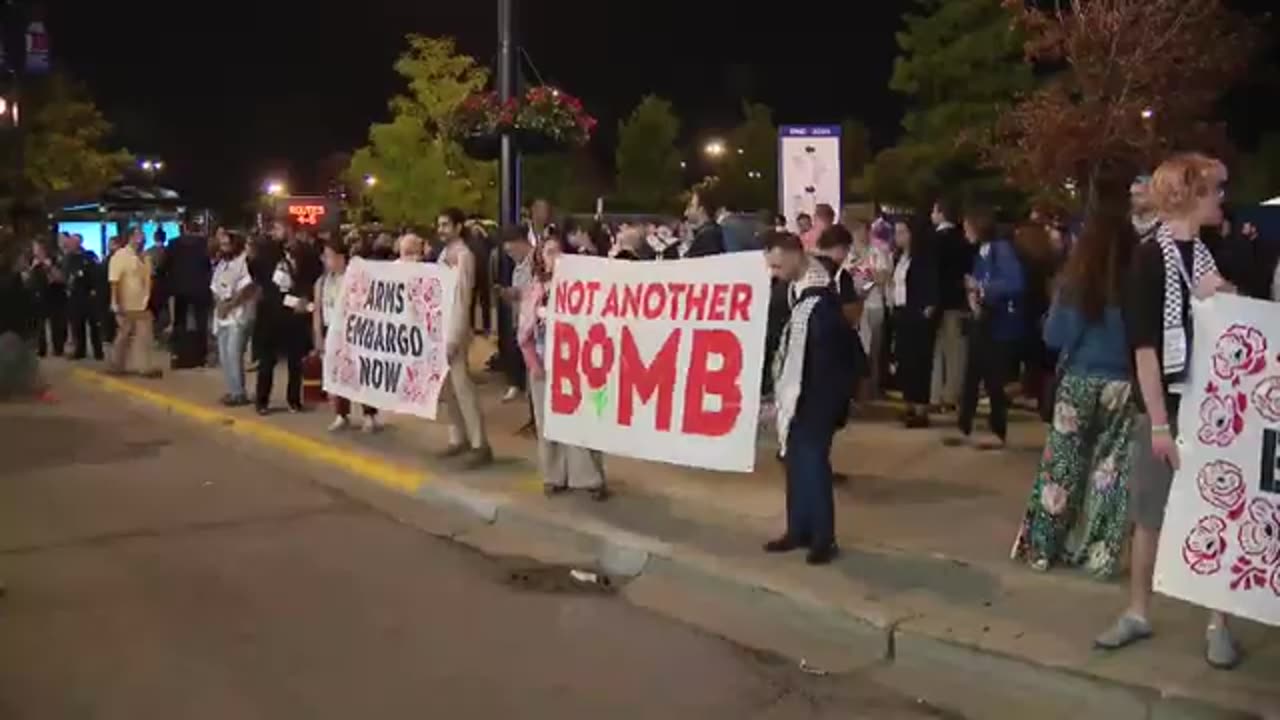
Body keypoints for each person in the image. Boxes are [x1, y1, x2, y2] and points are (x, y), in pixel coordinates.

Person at [1095, 153, 1241, 670]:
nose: (1222, 198)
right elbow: (1145, 349)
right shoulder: (1148, 259)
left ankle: (1219, 620)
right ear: (1189, 194)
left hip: (1212, 403)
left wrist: (1220, 296)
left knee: (1218, 510)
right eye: (1215, 189)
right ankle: (1139, 610)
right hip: (1168, 407)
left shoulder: (1205, 253)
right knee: (1150, 512)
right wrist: (1158, 422)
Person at [1011, 182, 1138, 578]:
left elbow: (1055, 337)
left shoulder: (1076, 280)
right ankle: (1098, 554)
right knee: (1111, 472)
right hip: (1123, 383)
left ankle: (1044, 548)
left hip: (1080, 379)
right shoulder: (1137, 280)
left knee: (1062, 468)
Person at [763, 231, 857, 565]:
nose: (774, 272)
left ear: (794, 254)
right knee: (795, 461)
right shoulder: (796, 289)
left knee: (813, 463)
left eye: (776, 264)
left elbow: (838, 350)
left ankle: (823, 538)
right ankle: (798, 529)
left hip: (818, 393)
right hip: (798, 389)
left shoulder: (821, 294)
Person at [518, 233, 608, 499]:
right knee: (548, 424)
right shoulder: (535, 290)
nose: (553, 258)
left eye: (558, 252)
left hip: (577, 368)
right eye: (548, 253)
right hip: (544, 367)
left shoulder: (583, 289)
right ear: (540, 259)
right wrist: (533, 363)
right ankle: (554, 475)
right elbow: (523, 333)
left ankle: (590, 478)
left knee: (581, 423)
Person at [945, 207, 1025, 450]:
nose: (965, 231)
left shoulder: (1001, 249)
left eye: (968, 226)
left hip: (998, 321)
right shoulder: (982, 251)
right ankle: (964, 425)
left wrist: (981, 289)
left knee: (993, 378)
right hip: (983, 318)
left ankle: (997, 429)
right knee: (972, 374)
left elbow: (1015, 283)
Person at [436, 207, 492, 468]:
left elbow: (461, 298)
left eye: (446, 225)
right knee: (448, 389)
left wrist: (454, 336)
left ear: (458, 227)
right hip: (441, 329)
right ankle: (458, 437)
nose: (441, 230)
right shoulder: (443, 254)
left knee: (462, 387)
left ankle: (480, 443)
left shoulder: (463, 256)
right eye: (440, 225)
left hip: (455, 330)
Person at [314, 238, 381, 432]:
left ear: (341, 258)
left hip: (352, 331)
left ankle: (369, 414)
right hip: (331, 330)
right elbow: (318, 309)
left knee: (360, 374)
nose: (326, 261)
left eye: (329, 256)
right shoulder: (322, 281)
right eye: (325, 257)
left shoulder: (354, 279)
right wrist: (318, 335)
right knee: (337, 376)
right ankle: (341, 414)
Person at [251, 224, 312, 414]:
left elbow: (310, 280)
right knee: (267, 362)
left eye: (280, 228)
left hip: (296, 319)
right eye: (275, 229)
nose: (276, 232)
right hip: (272, 315)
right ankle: (262, 401)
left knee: (296, 362)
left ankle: (293, 400)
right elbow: (265, 284)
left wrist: (306, 300)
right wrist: (293, 301)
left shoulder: (307, 255)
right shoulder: (267, 254)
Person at [889, 219, 939, 428]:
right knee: (905, 359)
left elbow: (931, 283)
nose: (898, 236)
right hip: (901, 311)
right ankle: (908, 403)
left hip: (918, 312)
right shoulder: (900, 257)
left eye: (902, 232)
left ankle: (921, 408)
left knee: (920, 361)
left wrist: (929, 307)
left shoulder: (923, 258)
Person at [930, 200, 973, 411]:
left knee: (937, 352)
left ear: (940, 213)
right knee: (956, 352)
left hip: (938, 302)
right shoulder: (963, 240)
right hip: (958, 301)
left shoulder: (935, 241)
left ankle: (935, 395)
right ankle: (952, 394)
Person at [107, 228, 161, 377]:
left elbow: (149, 277)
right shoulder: (121, 256)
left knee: (144, 335)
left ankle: (144, 367)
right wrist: (114, 302)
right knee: (124, 334)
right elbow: (114, 281)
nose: (142, 238)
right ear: (130, 237)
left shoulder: (145, 257)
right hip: (126, 302)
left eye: (142, 236)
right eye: (138, 235)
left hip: (142, 302)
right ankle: (117, 364)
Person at [211, 231, 256, 406]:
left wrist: (229, 305)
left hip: (238, 316)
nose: (223, 248)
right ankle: (231, 390)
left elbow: (247, 288)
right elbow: (214, 286)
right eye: (221, 245)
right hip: (222, 317)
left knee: (233, 354)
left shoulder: (244, 262)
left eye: (226, 244)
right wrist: (219, 305)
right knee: (224, 356)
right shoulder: (222, 264)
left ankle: (239, 393)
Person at [161, 221, 213, 368]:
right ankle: (201, 355)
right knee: (201, 322)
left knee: (180, 322)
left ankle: (179, 354)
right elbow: (208, 265)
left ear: (184, 229)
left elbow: (165, 266)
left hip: (179, 288)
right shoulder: (204, 244)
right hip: (200, 288)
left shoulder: (173, 244)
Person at [496, 224, 533, 403]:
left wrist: (518, 293)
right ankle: (519, 386)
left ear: (521, 243)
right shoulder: (518, 266)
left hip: (533, 320)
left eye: (511, 251)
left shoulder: (536, 262)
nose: (511, 256)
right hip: (521, 318)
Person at [61, 233, 104, 361]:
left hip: (89, 295)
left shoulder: (89, 256)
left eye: (74, 242)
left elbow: (97, 273)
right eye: (70, 242)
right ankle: (80, 350)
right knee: (77, 325)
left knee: (94, 325)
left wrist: (95, 289)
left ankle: (98, 351)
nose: (71, 244)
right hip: (74, 296)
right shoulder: (68, 258)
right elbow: (66, 274)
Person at [25, 240, 67, 357]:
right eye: (34, 248)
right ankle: (41, 348)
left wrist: (49, 266)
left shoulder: (54, 259)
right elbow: (27, 278)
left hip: (54, 295)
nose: (36, 251)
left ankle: (58, 348)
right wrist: (32, 267)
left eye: (37, 248)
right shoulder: (32, 261)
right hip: (38, 296)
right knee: (39, 325)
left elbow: (61, 278)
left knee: (56, 323)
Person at [683, 190, 726, 258]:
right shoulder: (714, 231)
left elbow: (688, 263)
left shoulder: (707, 236)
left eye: (691, 206)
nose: (686, 213)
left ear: (701, 209)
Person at [1131, 175, 1160, 243]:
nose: (1133, 199)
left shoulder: (1165, 227)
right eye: (1132, 195)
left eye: (1139, 195)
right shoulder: (1127, 225)